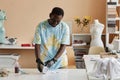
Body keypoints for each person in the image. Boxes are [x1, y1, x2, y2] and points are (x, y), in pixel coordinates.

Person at [33, 7, 70, 72]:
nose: (55, 23)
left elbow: (63, 45)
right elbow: (37, 44)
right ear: (50, 15)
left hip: (60, 63)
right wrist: (38, 60)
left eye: (58, 21)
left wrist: (54, 60)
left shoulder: (65, 27)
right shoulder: (41, 26)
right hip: (45, 63)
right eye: (53, 20)